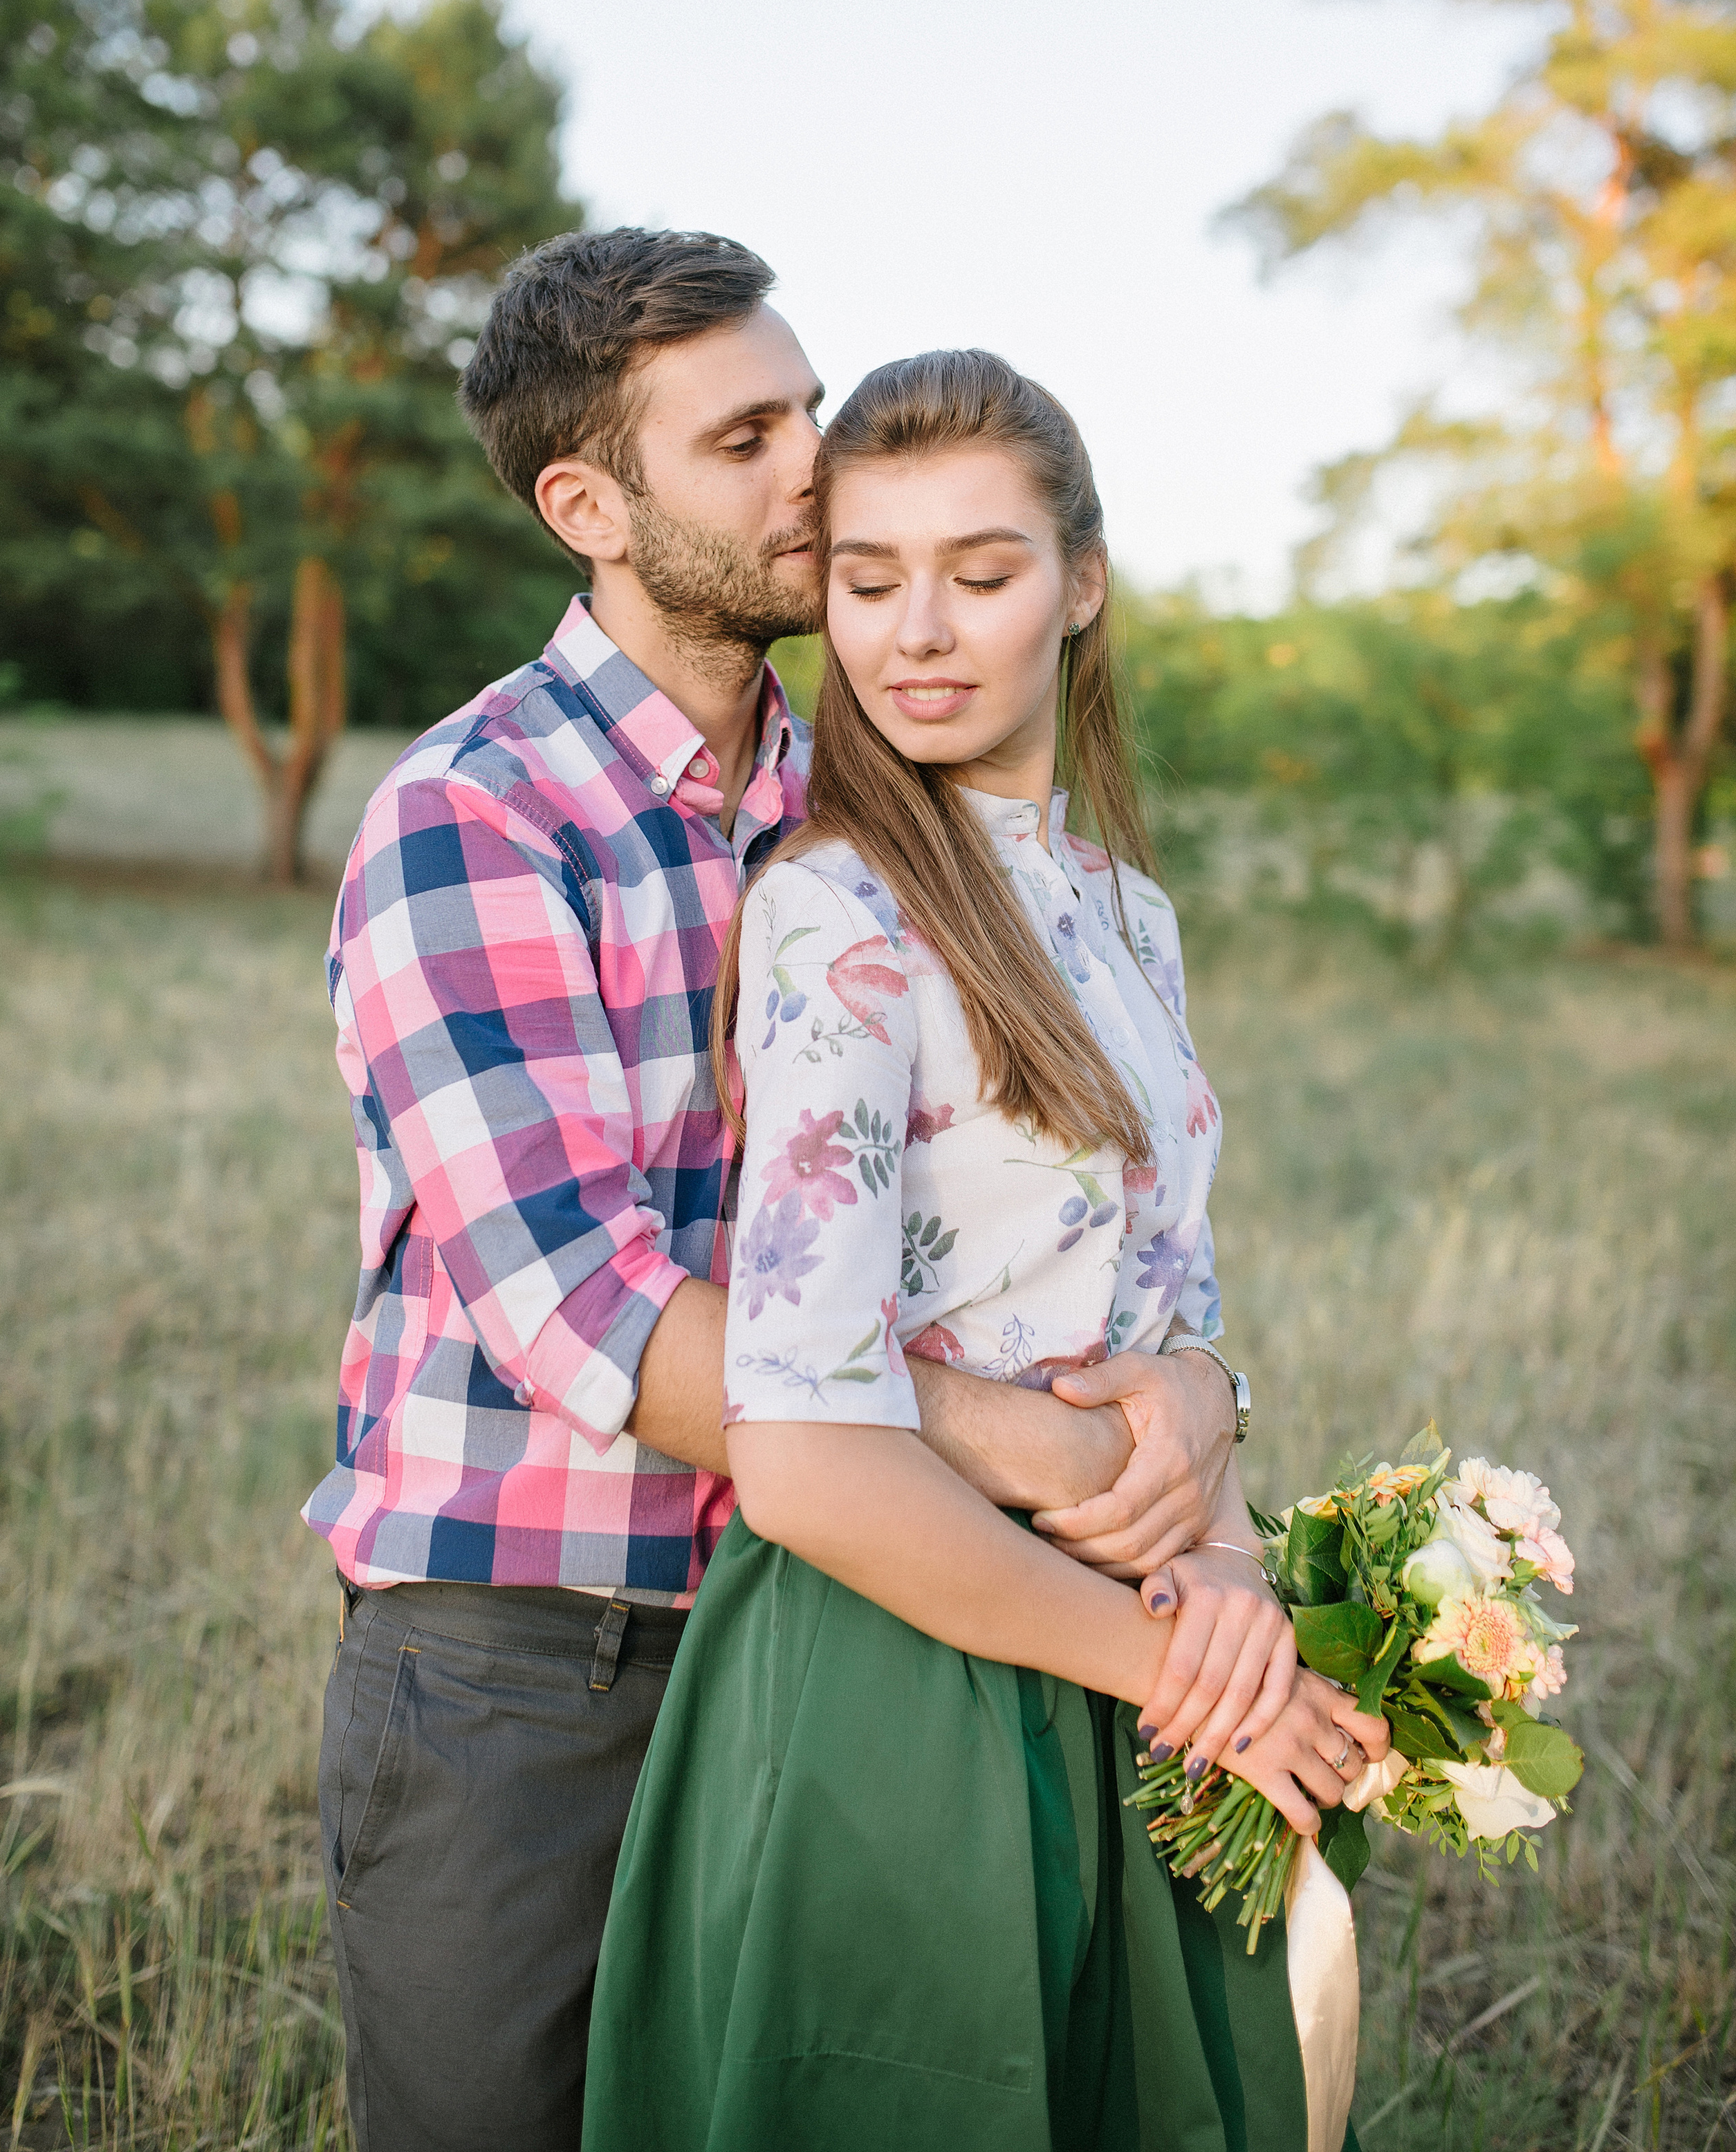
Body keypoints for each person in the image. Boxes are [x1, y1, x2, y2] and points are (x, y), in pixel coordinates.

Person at [301, 236, 1250, 2152]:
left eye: (808, 405)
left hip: (828, 1615)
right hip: (530, 1648)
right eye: (746, 435)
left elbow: (1027, 1220)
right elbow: (584, 1304)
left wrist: (1201, 1408)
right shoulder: (476, 815)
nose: (813, 467)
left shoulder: (863, 797)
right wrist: (1035, 1454)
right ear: (593, 506)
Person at [582, 349, 1389, 2152]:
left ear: (1082, 580)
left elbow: (1174, 1315)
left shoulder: (1127, 913)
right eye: (867, 578)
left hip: (1141, 1647)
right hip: (903, 1677)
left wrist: (1237, 1575)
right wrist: (1169, 1665)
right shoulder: (833, 917)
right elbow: (801, 1451)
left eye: (983, 568)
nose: (917, 628)